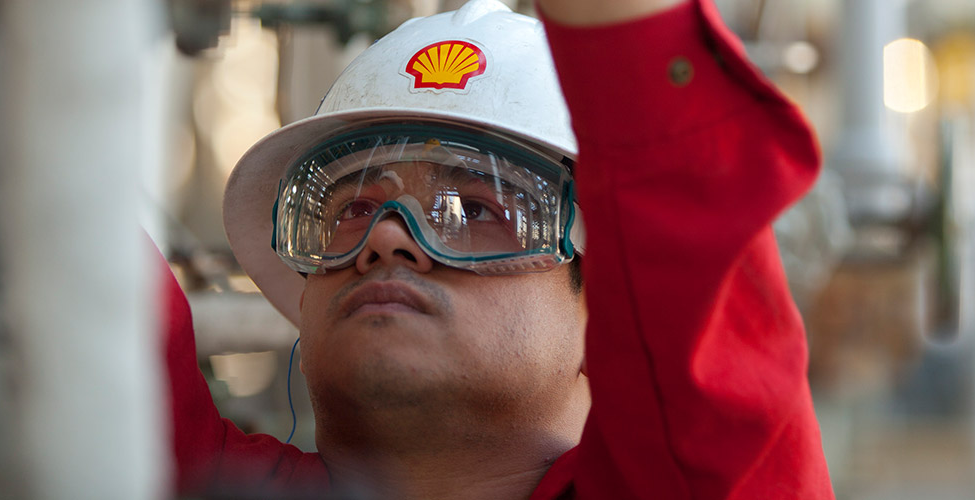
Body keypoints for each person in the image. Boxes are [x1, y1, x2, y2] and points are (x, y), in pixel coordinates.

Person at [159, 0, 834, 497]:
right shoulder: (166, 467)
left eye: (476, 209)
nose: (388, 237)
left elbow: (685, 231)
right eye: (353, 209)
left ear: (607, 309)